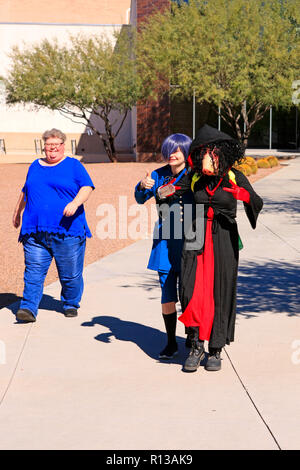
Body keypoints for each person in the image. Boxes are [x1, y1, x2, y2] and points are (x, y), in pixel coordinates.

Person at [157, 125, 263, 372]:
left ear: (221, 154)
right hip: (195, 235)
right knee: (191, 290)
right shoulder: (193, 176)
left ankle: (215, 349)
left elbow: (257, 202)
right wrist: (155, 187)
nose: (206, 156)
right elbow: (167, 192)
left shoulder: (235, 176)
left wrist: (243, 196)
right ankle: (195, 346)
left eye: (211, 152)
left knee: (220, 290)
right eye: (203, 151)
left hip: (224, 236)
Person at [12, 128, 95, 322]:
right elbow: (26, 190)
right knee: (33, 271)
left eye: (56, 145)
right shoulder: (34, 165)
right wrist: (17, 212)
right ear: (44, 147)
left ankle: (70, 303)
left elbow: (87, 187)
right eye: (49, 146)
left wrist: (75, 203)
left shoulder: (73, 165)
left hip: (67, 230)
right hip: (34, 230)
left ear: (63, 146)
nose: (52, 149)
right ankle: (28, 308)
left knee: (70, 275)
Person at [134, 133, 194, 359]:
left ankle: (192, 335)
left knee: (189, 293)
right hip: (165, 241)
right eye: (168, 149)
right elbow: (140, 198)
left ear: (186, 152)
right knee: (167, 294)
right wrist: (142, 185)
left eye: (177, 150)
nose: (171, 154)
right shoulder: (158, 175)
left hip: (191, 241)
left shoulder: (194, 175)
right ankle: (170, 342)